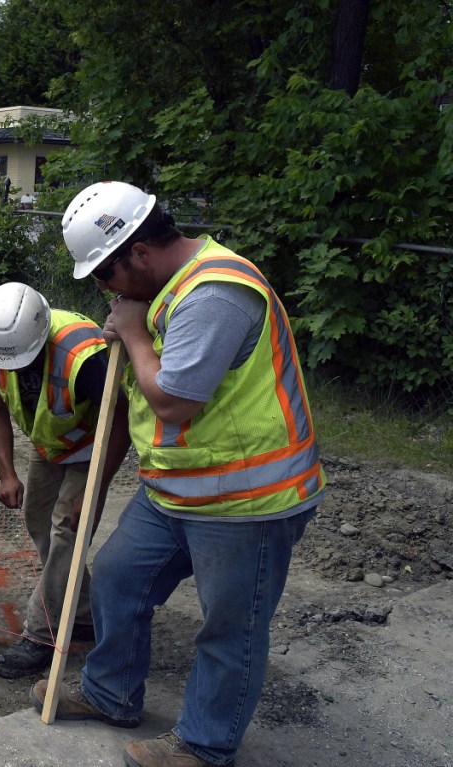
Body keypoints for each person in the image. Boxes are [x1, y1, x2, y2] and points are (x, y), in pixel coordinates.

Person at [31, 181, 327, 767]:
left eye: (105, 276)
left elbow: (174, 400)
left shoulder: (217, 291)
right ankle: (110, 693)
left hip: (248, 499)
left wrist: (135, 333)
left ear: (139, 253)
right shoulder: (168, 289)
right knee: (117, 577)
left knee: (229, 628)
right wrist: (135, 328)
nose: (104, 291)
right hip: (178, 490)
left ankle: (204, 746)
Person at [0, 282, 128, 678]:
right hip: (51, 444)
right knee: (37, 520)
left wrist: (95, 487)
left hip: (94, 443)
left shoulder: (84, 355)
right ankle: (86, 612)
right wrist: (6, 472)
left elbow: (121, 420)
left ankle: (41, 634)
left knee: (67, 529)